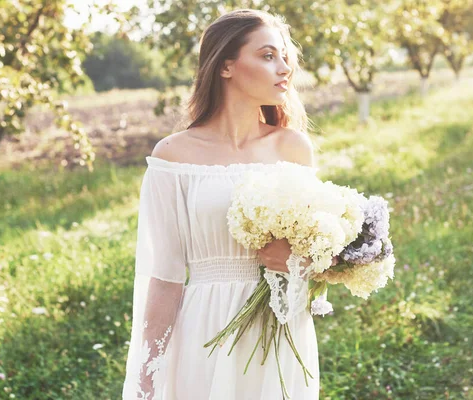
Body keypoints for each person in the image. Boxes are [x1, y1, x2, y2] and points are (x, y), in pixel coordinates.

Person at [122, 8, 324, 400]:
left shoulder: (293, 147)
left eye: (285, 57)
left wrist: (302, 261)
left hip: (282, 334)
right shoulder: (174, 156)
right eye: (268, 56)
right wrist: (147, 381)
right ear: (226, 66)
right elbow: (164, 280)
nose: (284, 68)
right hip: (204, 331)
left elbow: (319, 256)